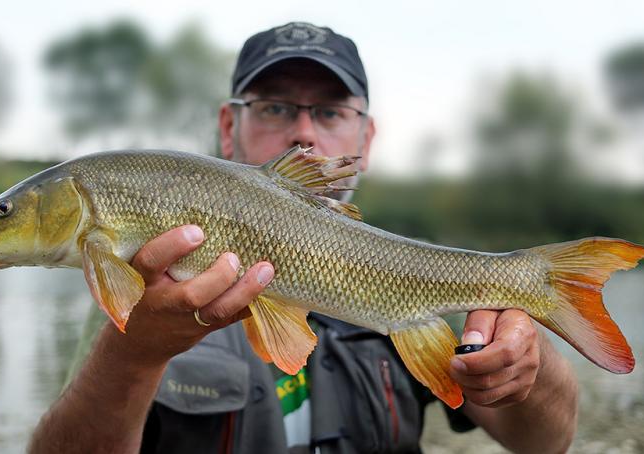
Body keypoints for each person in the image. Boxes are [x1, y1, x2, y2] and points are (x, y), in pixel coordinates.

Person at [29, 22, 578, 453]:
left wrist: (527, 359)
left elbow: (547, 444)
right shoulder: (147, 281)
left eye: (331, 111)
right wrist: (132, 355)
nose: (304, 132)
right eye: (275, 108)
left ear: (365, 138)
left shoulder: (430, 282)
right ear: (229, 128)